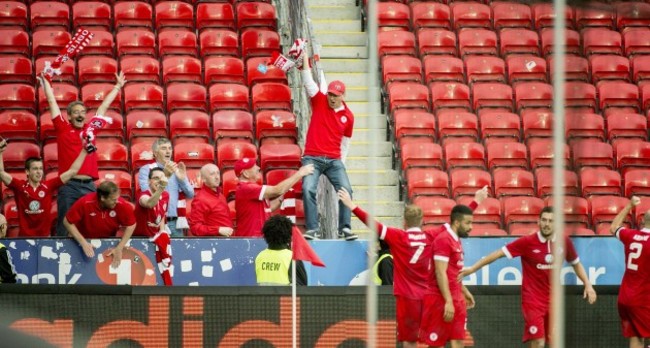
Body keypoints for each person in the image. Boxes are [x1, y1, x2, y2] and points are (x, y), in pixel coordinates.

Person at [339, 186, 488, 347]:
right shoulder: (431, 235)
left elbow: (373, 224)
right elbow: (453, 225)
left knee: (410, 342)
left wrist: (351, 205)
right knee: (433, 341)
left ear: (404, 222)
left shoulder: (397, 236)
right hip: (429, 297)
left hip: (407, 298)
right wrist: (477, 201)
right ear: (423, 222)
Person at [459, 206, 597, 348]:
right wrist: (473, 268)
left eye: (550, 221)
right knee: (538, 341)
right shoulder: (527, 242)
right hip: (532, 301)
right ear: (539, 222)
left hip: (554, 301)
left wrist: (588, 284)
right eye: (544, 220)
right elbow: (498, 253)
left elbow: (576, 263)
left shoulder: (564, 241)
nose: (547, 224)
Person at [38, 72, 126, 237]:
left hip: (89, 186)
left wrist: (117, 87)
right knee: (63, 225)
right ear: (69, 116)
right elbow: (52, 103)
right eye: (76, 112)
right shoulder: (63, 127)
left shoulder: (91, 129)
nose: (80, 114)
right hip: (69, 185)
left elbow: (103, 108)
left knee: (91, 224)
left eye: (83, 112)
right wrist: (46, 84)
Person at [300, 49, 357, 241]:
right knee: (308, 188)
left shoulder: (348, 116)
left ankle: (345, 228)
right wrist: (305, 59)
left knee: (346, 190)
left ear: (343, 96)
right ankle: (312, 228)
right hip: (312, 157)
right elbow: (308, 82)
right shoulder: (319, 100)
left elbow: (346, 142)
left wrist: (342, 162)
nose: (332, 98)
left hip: (334, 159)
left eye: (336, 95)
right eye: (331, 94)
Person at [0, 138, 87, 237]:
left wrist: (84, 152)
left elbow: (72, 172)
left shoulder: (48, 185)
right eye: (35, 169)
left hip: (45, 238)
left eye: (41, 169)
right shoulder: (20, 186)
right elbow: (1, 173)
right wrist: (0, 152)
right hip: (24, 238)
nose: (39, 172)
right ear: (27, 172)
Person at [419, 204, 478, 348]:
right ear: (457, 222)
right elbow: (440, 272)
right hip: (440, 299)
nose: (471, 227)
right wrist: (448, 301)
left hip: (456, 298)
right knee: (436, 344)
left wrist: (464, 291)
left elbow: (453, 273)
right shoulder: (443, 240)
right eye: (468, 223)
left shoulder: (457, 240)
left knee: (458, 341)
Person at [63, 181, 136, 269]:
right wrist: (83, 243)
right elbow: (66, 221)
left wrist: (120, 247)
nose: (117, 201)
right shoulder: (85, 202)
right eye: (113, 199)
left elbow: (132, 225)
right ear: (102, 198)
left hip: (106, 242)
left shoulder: (122, 204)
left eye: (117, 198)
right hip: (83, 242)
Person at [234, 157, 314, 237]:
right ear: (245, 174)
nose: (258, 168)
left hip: (257, 238)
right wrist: (300, 173)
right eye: (254, 166)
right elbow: (277, 190)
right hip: (250, 239)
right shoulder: (246, 188)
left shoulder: (250, 189)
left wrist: (281, 198)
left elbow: (268, 208)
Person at [610, 196, 650, 348]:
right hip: (642, 300)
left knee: (637, 338)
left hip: (625, 298)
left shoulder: (631, 235)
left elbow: (613, 228)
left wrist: (629, 206)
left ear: (642, 222)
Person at [138, 138, 194, 237]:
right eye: (164, 148)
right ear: (155, 153)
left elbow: (190, 194)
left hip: (174, 222)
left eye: (170, 148)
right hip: (155, 221)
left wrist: (182, 179)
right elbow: (147, 192)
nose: (168, 151)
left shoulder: (176, 170)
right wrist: (165, 175)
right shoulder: (146, 169)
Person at [255, 215, 307, 286]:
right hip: (285, 297)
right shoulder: (293, 258)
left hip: (264, 297)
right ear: (289, 237)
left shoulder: (259, 257)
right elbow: (303, 289)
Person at [189, 164, 233, 237]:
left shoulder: (220, 195)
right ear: (203, 179)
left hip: (226, 242)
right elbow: (195, 228)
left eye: (218, 173)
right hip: (214, 244)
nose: (217, 177)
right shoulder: (200, 199)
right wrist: (218, 230)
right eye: (212, 174)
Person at [133, 168, 169, 238]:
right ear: (149, 181)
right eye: (156, 178)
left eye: (161, 179)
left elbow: (162, 214)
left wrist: (162, 231)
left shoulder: (165, 195)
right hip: (139, 239)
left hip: (156, 238)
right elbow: (150, 204)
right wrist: (161, 188)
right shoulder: (143, 195)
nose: (160, 181)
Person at [0, 214, 17, 283]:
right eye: (6, 224)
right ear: (2, 227)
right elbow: (9, 276)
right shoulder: (1, 249)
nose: (7, 227)